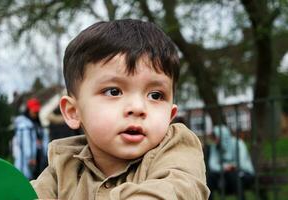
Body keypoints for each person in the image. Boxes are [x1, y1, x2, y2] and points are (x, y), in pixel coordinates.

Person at [31, 19, 210, 199]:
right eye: (114, 91)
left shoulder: (177, 149)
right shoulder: (63, 167)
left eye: (155, 95)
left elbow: (177, 190)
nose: (138, 108)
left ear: (170, 115)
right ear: (73, 112)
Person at [207, 125, 254, 200]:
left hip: (244, 174)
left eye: (215, 137)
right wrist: (226, 167)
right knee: (209, 178)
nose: (214, 140)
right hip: (224, 175)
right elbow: (212, 165)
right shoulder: (214, 147)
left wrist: (230, 167)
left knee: (233, 175)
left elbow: (241, 162)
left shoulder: (238, 143)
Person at [12, 98, 49, 180]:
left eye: (37, 111)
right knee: (25, 182)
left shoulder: (36, 124)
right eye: (34, 110)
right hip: (28, 163)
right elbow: (26, 143)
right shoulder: (24, 126)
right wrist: (30, 158)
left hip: (38, 161)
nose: (36, 113)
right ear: (28, 110)